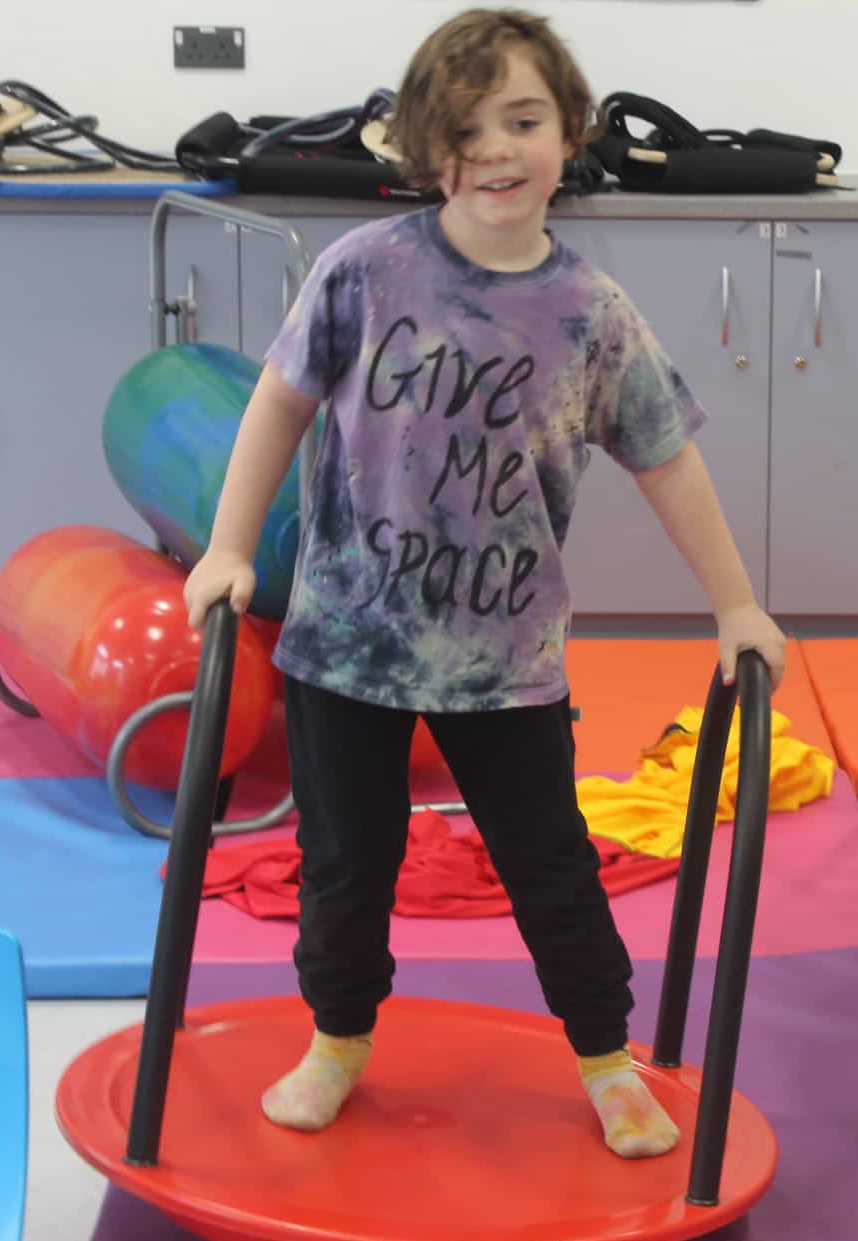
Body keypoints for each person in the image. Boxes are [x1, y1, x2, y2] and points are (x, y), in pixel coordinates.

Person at [181, 7, 787, 1160]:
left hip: (505, 660)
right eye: (467, 128)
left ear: (572, 132)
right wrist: (227, 545)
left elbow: (667, 457)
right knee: (344, 861)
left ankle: (607, 1057)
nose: (498, 150)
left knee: (550, 863)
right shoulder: (367, 271)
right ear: (423, 148)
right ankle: (339, 1035)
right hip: (347, 643)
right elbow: (277, 401)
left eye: (524, 120)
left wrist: (736, 603)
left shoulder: (590, 313)